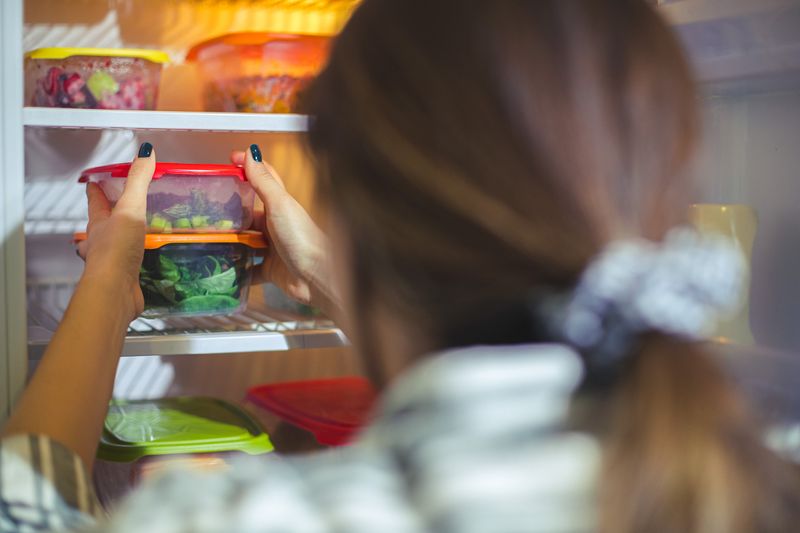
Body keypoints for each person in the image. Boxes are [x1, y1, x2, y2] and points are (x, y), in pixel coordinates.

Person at [2, 0, 799, 532]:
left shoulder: (241, 518)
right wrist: (328, 270)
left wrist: (110, 280)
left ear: (351, 211)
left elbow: (20, 501)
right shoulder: (758, 474)